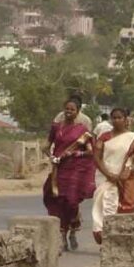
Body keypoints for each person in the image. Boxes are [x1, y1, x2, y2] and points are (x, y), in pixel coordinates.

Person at [42, 98, 96, 251]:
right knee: (57, 200)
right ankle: (62, 235)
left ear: (78, 111)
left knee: (71, 201)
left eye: (72, 109)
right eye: (67, 109)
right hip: (59, 168)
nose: (69, 112)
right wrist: (50, 156)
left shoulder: (82, 129)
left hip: (75, 169)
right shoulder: (56, 127)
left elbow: (90, 151)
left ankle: (73, 227)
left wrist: (74, 153)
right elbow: (46, 145)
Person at [91, 107, 134, 245]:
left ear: (126, 119)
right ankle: (106, 240)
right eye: (114, 118)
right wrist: (108, 174)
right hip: (106, 178)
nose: (116, 120)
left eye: (119, 117)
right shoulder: (104, 137)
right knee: (105, 207)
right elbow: (96, 158)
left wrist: (130, 169)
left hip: (126, 178)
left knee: (126, 208)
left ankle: (123, 242)